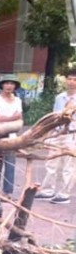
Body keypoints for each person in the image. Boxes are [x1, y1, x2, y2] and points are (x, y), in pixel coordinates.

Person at [38, 70, 76, 205]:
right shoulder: (60, 97)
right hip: (57, 134)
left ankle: (64, 194)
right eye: (70, 79)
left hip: (72, 135)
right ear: (66, 80)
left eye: (74, 80)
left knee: (69, 166)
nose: (72, 82)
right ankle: (47, 191)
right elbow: (54, 116)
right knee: (51, 163)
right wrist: (48, 135)